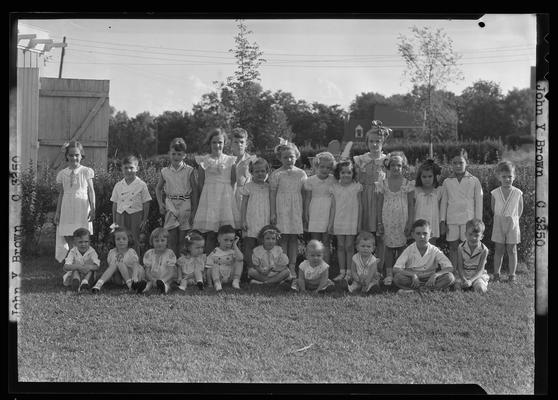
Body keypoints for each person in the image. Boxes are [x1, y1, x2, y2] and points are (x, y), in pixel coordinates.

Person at [353, 121, 390, 273]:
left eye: (378, 142)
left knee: (381, 234)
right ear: (367, 142)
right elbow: (353, 179)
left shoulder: (387, 160)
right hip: (364, 198)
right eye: (372, 142)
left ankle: (380, 267)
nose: (375, 145)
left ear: (382, 143)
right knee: (365, 233)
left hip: (380, 198)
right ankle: (362, 266)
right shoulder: (360, 159)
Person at [269, 139, 307, 289]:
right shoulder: (277, 174)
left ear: (296, 156)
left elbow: (304, 194)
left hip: (296, 208)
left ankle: (292, 265)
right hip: (281, 208)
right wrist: (273, 212)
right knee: (283, 237)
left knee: (293, 238)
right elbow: (272, 194)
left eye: (291, 156)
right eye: (285, 157)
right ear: (280, 158)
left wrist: (304, 211)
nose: (289, 160)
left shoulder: (301, 173)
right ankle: (282, 266)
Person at [193, 128, 237, 254]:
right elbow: (200, 182)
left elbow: (233, 181)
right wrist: (206, 199)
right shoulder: (204, 160)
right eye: (214, 142)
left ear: (224, 143)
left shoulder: (230, 160)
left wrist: (230, 200)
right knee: (211, 234)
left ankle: (228, 263)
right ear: (210, 143)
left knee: (227, 233)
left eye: (220, 142)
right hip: (210, 199)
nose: (217, 145)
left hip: (225, 199)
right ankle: (208, 264)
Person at [376, 151, 414, 286]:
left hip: (402, 220)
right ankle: (389, 274)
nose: (395, 168)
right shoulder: (383, 183)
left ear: (403, 166)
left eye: (399, 165)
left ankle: (400, 272)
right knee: (389, 247)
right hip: (387, 220)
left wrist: (410, 222)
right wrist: (379, 222)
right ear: (388, 166)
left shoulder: (408, 183)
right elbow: (379, 203)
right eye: (392, 165)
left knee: (402, 246)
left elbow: (410, 204)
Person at [440, 148, 483, 268]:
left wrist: (478, 222)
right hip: (452, 219)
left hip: (468, 220)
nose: (458, 166)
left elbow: (479, 202)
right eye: (455, 163)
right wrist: (442, 221)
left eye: (461, 163)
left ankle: (467, 271)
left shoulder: (474, 181)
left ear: (467, 163)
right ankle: (453, 271)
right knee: (453, 247)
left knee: (467, 247)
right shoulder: (447, 181)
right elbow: (444, 203)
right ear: (451, 164)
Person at [54, 141, 96, 264]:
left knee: (82, 234)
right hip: (67, 206)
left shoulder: (86, 171)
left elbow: (91, 191)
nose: (74, 158)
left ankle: (84, 259)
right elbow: (61, 193)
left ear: (81, 155)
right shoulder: (62, 173)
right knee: (68, 234)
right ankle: (73, 259)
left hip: (82, 206)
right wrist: (58, 212)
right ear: (67, 156)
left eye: (77, 155)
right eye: (71, 155)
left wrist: (93, 208)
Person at [155, 137, 198, 257]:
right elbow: (158, 189)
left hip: (185, 204)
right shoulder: (164, 171)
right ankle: (172, 265)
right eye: (173, 154)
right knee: (171, 238)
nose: (176, 157)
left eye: (179, 154)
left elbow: (194, 190)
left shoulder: (189, 170)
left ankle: (183, 264)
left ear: (184, 155)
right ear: (169, 154)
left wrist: (194, 209)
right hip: (170, 204)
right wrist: (160, 204)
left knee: (184, 238)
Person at [393, 219, 455, 294]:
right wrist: (412, 275)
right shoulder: (409, 249)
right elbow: (396, 268)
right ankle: (429, 290)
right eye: (418, 233)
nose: (422, 236)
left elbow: (450, 267)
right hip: (414, 280)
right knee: (397, 278)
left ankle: (414, 291)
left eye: (425, 233)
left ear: (431, 234)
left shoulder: (434, 250)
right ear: (413, 235)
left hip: (430, 280)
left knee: (450, 277)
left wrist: (436, 275)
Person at [328, 160, 363, 282]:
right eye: (343, 172)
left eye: (349, 172)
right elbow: (333, 207)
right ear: (338, 173)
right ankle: (341, 271)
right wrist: (331, 223)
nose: (346, 175)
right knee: (341, 246)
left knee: (349, 246)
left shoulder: (356, 187)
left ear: (353, 173)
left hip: (351, 220)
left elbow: (360, 206)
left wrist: (359, 223)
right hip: (339, 220)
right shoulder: (334, 187)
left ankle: (350, 272)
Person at [110, 155, 151, 255]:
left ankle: (134, 262)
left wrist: (144, 220)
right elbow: (115, 204)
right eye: (126, 168)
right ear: (122, 169)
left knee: (134, 239)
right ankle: (120, 262)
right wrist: (114, 221)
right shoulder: (118, 185)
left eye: (131, 168)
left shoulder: (141, 184)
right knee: (120, 239)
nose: (128, 170)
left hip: (135, 215)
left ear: (137, 168)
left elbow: (146, 203)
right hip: (120, 216)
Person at [490, 161, 524, 283]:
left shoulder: (517, 193)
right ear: (499, 177)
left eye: (510, 176)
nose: (507, 179)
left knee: (512, 249)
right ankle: (496, 274)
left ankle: (512, 275)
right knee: (498, 249)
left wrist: (513, 219)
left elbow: (520, 209)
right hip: (499, 221)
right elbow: (493, 208)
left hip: (513, 223)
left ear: (514, 177)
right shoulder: (495, 193)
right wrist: (501, 217)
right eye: (504, 177)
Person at [240, 158, 271, 279]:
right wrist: (243, 220)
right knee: (249, 245)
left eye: (263, 171)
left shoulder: (269, 187)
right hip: (251, 220)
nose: (260, 174)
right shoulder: (248, 187)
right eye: (257, 171)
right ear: (251, 172)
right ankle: (250, 268)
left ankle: (263, 268)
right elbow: (244, 205)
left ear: (267, 172)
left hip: (264, 220)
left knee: (263, 245)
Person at [91, 227, 147, 294]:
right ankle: (98, 285)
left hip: (133, 276)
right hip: (119, 278)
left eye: (124, 239)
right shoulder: (112, 252)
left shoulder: (131, 252)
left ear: (128, 240)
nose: (121, 241)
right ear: (114, 241)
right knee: (116, 264)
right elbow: (111, 268)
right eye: (118, 239)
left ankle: (130, 285)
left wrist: (134, 277)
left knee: (120, 263)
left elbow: (136, 265)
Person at [303, 151, 336, 263]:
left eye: (328, 167)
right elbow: (307, 198)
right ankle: (314, 263)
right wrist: (306, 213)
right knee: (315, 239)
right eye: (322, 167)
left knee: (326, 240)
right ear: (316, 166)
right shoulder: (310, 180)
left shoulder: (333, 180)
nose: (324, 170)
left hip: (328, 211)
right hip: (315, 211)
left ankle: (325, 265)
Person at [230, 127, 256, 229]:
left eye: (242, 142)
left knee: (246, 228)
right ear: (231, 144)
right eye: (235, 142)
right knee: (231, 229)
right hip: (230, 197)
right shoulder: (227, 160)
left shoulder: (252, 160)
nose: (239, 145)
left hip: (246, 198)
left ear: (246, 144)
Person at [412, 159, 443, 244]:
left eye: (430, 176)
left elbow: (441, 209)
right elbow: (412, 208)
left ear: (435, 177)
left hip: (433, 223)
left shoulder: (439, 191)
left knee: (432, 248)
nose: (427, 179)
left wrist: (442, 223)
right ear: (420, 177)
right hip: (418, 224)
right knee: (418, 247)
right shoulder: (416, 191)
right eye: (424, 177)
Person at [455, 219, 490, 293]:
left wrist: (471, 280)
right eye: (470, 234)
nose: (473, 238)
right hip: (463, 274)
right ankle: (467, 285)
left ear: (481, 236)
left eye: (477, 235)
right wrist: (464, 279)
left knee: (481, 289)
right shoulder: (460, 247)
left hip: (477, 276)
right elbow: (460, 267)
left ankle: (474, 285)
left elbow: (480, 270)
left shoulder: (484, 250)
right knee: (456, 287)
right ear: (465, 234)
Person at [206, 224, 244, 291]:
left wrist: (235, 245)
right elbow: (208, 268)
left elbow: (241, 258)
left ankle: (236, 281)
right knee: (214, 266)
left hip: (230, 276)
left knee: (239, 262)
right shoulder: (215, 252)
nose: (228, 243)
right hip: (219, 277)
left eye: (231, 240)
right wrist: (209, 284)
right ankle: (217, 284)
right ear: (219, 239)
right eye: (226, 240)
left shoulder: (233, 252)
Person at [62, 228, 100, 292]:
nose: (83, 244)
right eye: (80, 242)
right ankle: (76, 282)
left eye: (86, 242)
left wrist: (89, 267)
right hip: (74, 276)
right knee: (75, 269)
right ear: (75, 242)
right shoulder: (73, 251)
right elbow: (65, 267)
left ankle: (85, 283)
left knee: (91, 270)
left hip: (89, 277)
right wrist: (78, 267)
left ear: (89, 241)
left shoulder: (92, 251)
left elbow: (97, 266)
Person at [142, 227, 177, 294]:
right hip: (152, 278)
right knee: (149, 282)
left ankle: (165, 288)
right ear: (152, 241)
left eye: (162, 240)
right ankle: (146, 287)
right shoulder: (149, 253)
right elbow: (147, 271)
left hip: (166, 278)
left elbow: (171, 273)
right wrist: (153, 280)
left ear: (167, 241)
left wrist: (162, 281)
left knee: (168, 283)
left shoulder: (170, 253)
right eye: (157, 241)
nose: (159, 243)